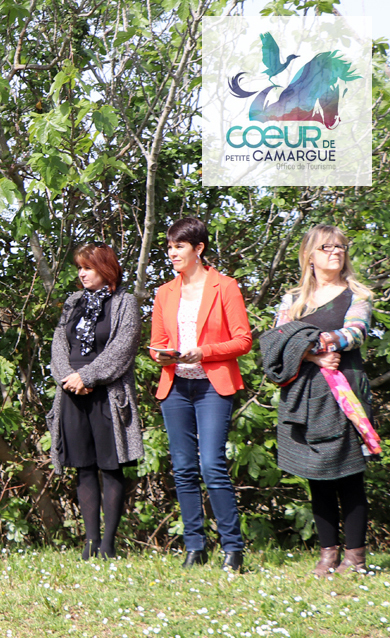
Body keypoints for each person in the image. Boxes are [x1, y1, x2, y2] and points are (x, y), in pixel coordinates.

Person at [268, 224, 374, 576]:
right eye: (327, 247)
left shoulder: (357, 295)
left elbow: (355, 333)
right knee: (316, 475)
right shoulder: (292, 299)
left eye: (341, 246)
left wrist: (321, 341)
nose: (336, 252)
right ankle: (328, 554)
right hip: (304, 396)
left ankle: (355, 557)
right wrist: (312, 355)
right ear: (310, 255)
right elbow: (277, 343)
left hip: (344, 394)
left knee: (349, 475)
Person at [149, 217, 252, 571]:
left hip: (213, 386)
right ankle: (195, 548)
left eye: (179, 246)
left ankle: (233, 549)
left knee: (211, 465)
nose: (172, 252)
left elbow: (243, 341)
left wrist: (203, 352)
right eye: (169, 246)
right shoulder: (164, 292)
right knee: (183, 468)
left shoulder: (225, 287)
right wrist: (161, 354)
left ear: (199, 249)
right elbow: (157, 344)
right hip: (175, 385)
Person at [46, 244, 142, 560]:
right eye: (80, 268)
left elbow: (122, 349)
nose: (82, 273)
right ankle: (90, 543)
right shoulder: (73, 303)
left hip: (107, 395)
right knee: (83, 467)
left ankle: (109, 546)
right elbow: (58, 346)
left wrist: (87, 377)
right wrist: (69, 378)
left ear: (106, 269)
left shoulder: (125, 303)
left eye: (88, 267)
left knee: (111, 468)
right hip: (72, 393)